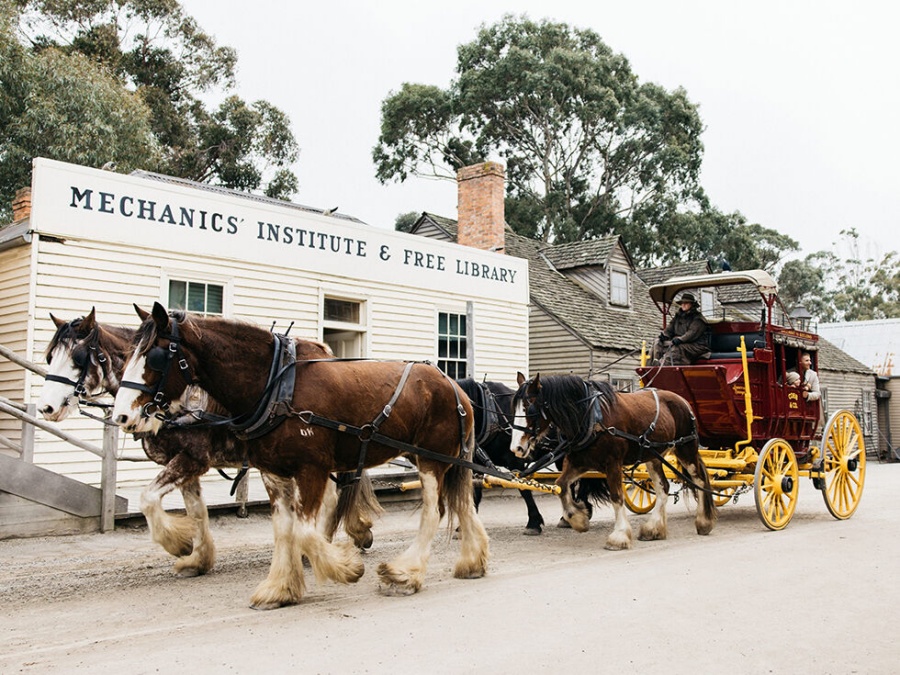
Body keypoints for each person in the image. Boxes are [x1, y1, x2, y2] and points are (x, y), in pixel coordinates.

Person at [651, 292, 711, 366]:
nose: (683, 305)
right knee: (657, 341)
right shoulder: (678, 317)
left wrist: (680, 339)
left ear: (691, 304)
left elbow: (691, 334)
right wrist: (664, 336)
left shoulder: (698, 319)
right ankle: (655, 362)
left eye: (686, 303)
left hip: (696, 345)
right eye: (682, 303)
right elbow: (670, 328)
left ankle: (663, 366)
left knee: (677, 348)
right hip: (678, 342)